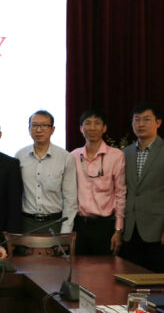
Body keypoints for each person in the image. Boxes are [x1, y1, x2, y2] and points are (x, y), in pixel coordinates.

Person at [71, 109, 126, 255]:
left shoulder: (116, 156)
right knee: (79, 272)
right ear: (81, 128)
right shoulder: (73, 156)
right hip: (79, 225)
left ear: (104, 128)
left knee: (104, 273)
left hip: (105, 226)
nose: (92, 128)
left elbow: (121, 193)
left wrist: (118, 229)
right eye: (87, 123)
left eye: (97, 123)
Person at [15, 110, 77, 234]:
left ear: (52, 129)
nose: (39, 130)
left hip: (54, 224)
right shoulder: (19, 156)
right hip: (26, 224)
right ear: (29, 129)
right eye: (35, 125)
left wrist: (65, 233)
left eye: (44, 125)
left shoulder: (65, 157)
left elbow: (70, 199)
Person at [120, 102, 164, 272]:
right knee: (129, 281)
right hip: (130, 229)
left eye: (146, 119)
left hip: (156, 229)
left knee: (156, 285)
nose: (141, 124)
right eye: (137, 120)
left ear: (158, 123)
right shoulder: (125, 153)